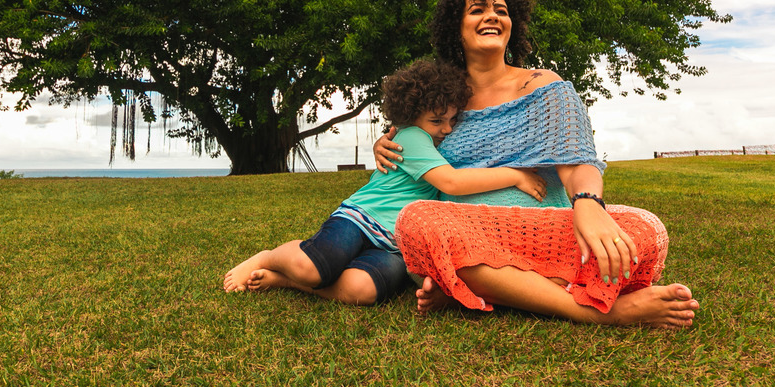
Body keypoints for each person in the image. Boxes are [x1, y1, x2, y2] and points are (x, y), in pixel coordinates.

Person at [375, 0, 699, 329]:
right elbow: (408, 141)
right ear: (456, 27)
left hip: (545, 234)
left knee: (645, 229)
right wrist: (384, 143)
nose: (492, 16)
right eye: (477, 9)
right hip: (467, 235)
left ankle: (478, 289)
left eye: (501, 9)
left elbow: (577, 161)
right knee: (416, 221)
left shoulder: (544, 85)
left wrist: (589, 204)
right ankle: (596, 311)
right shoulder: (439, 101)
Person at [222, 60, 548, 305]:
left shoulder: (436, 142)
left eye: (452, 120)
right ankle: (268, 256)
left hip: (396, 245)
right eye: (438, 121)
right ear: (410, 115)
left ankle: (286, 282)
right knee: (314, 268)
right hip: (363, 218)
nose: (446, 129)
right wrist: (515, 175)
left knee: (360, 291)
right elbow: (451, 182)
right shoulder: (413, 137)